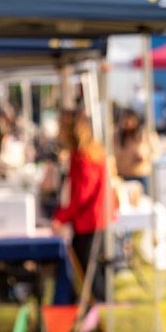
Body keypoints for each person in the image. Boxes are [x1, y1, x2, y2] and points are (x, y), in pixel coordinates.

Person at [51, 111, 110, 303]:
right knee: (88, 266)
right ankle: (95, 304)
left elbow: (82, 194)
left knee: (89, 268)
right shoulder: (86, 154)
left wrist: (61, 216)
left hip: (90, 219)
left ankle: (100, 306)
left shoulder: (85, 157)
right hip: (90, 218)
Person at [115, 108, 158, 196]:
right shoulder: (117, 135)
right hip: (122, 174)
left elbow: (156, 151)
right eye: (125, 119)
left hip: (141, 175)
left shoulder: (145, 134)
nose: (127, 122)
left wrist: (145, 156)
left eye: (130, 119)